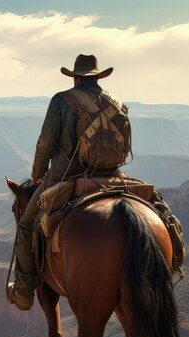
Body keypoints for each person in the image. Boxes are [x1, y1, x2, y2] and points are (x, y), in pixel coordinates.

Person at [8, 54, 123, 310]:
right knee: (158, 208)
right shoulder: (115, 102)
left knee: (26, 226)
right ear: (97, 76)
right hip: (111, 175)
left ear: (75, 76)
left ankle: (24, 293)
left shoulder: (62, 100)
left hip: (65, 174)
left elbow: (46, 142)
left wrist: (38, 175)